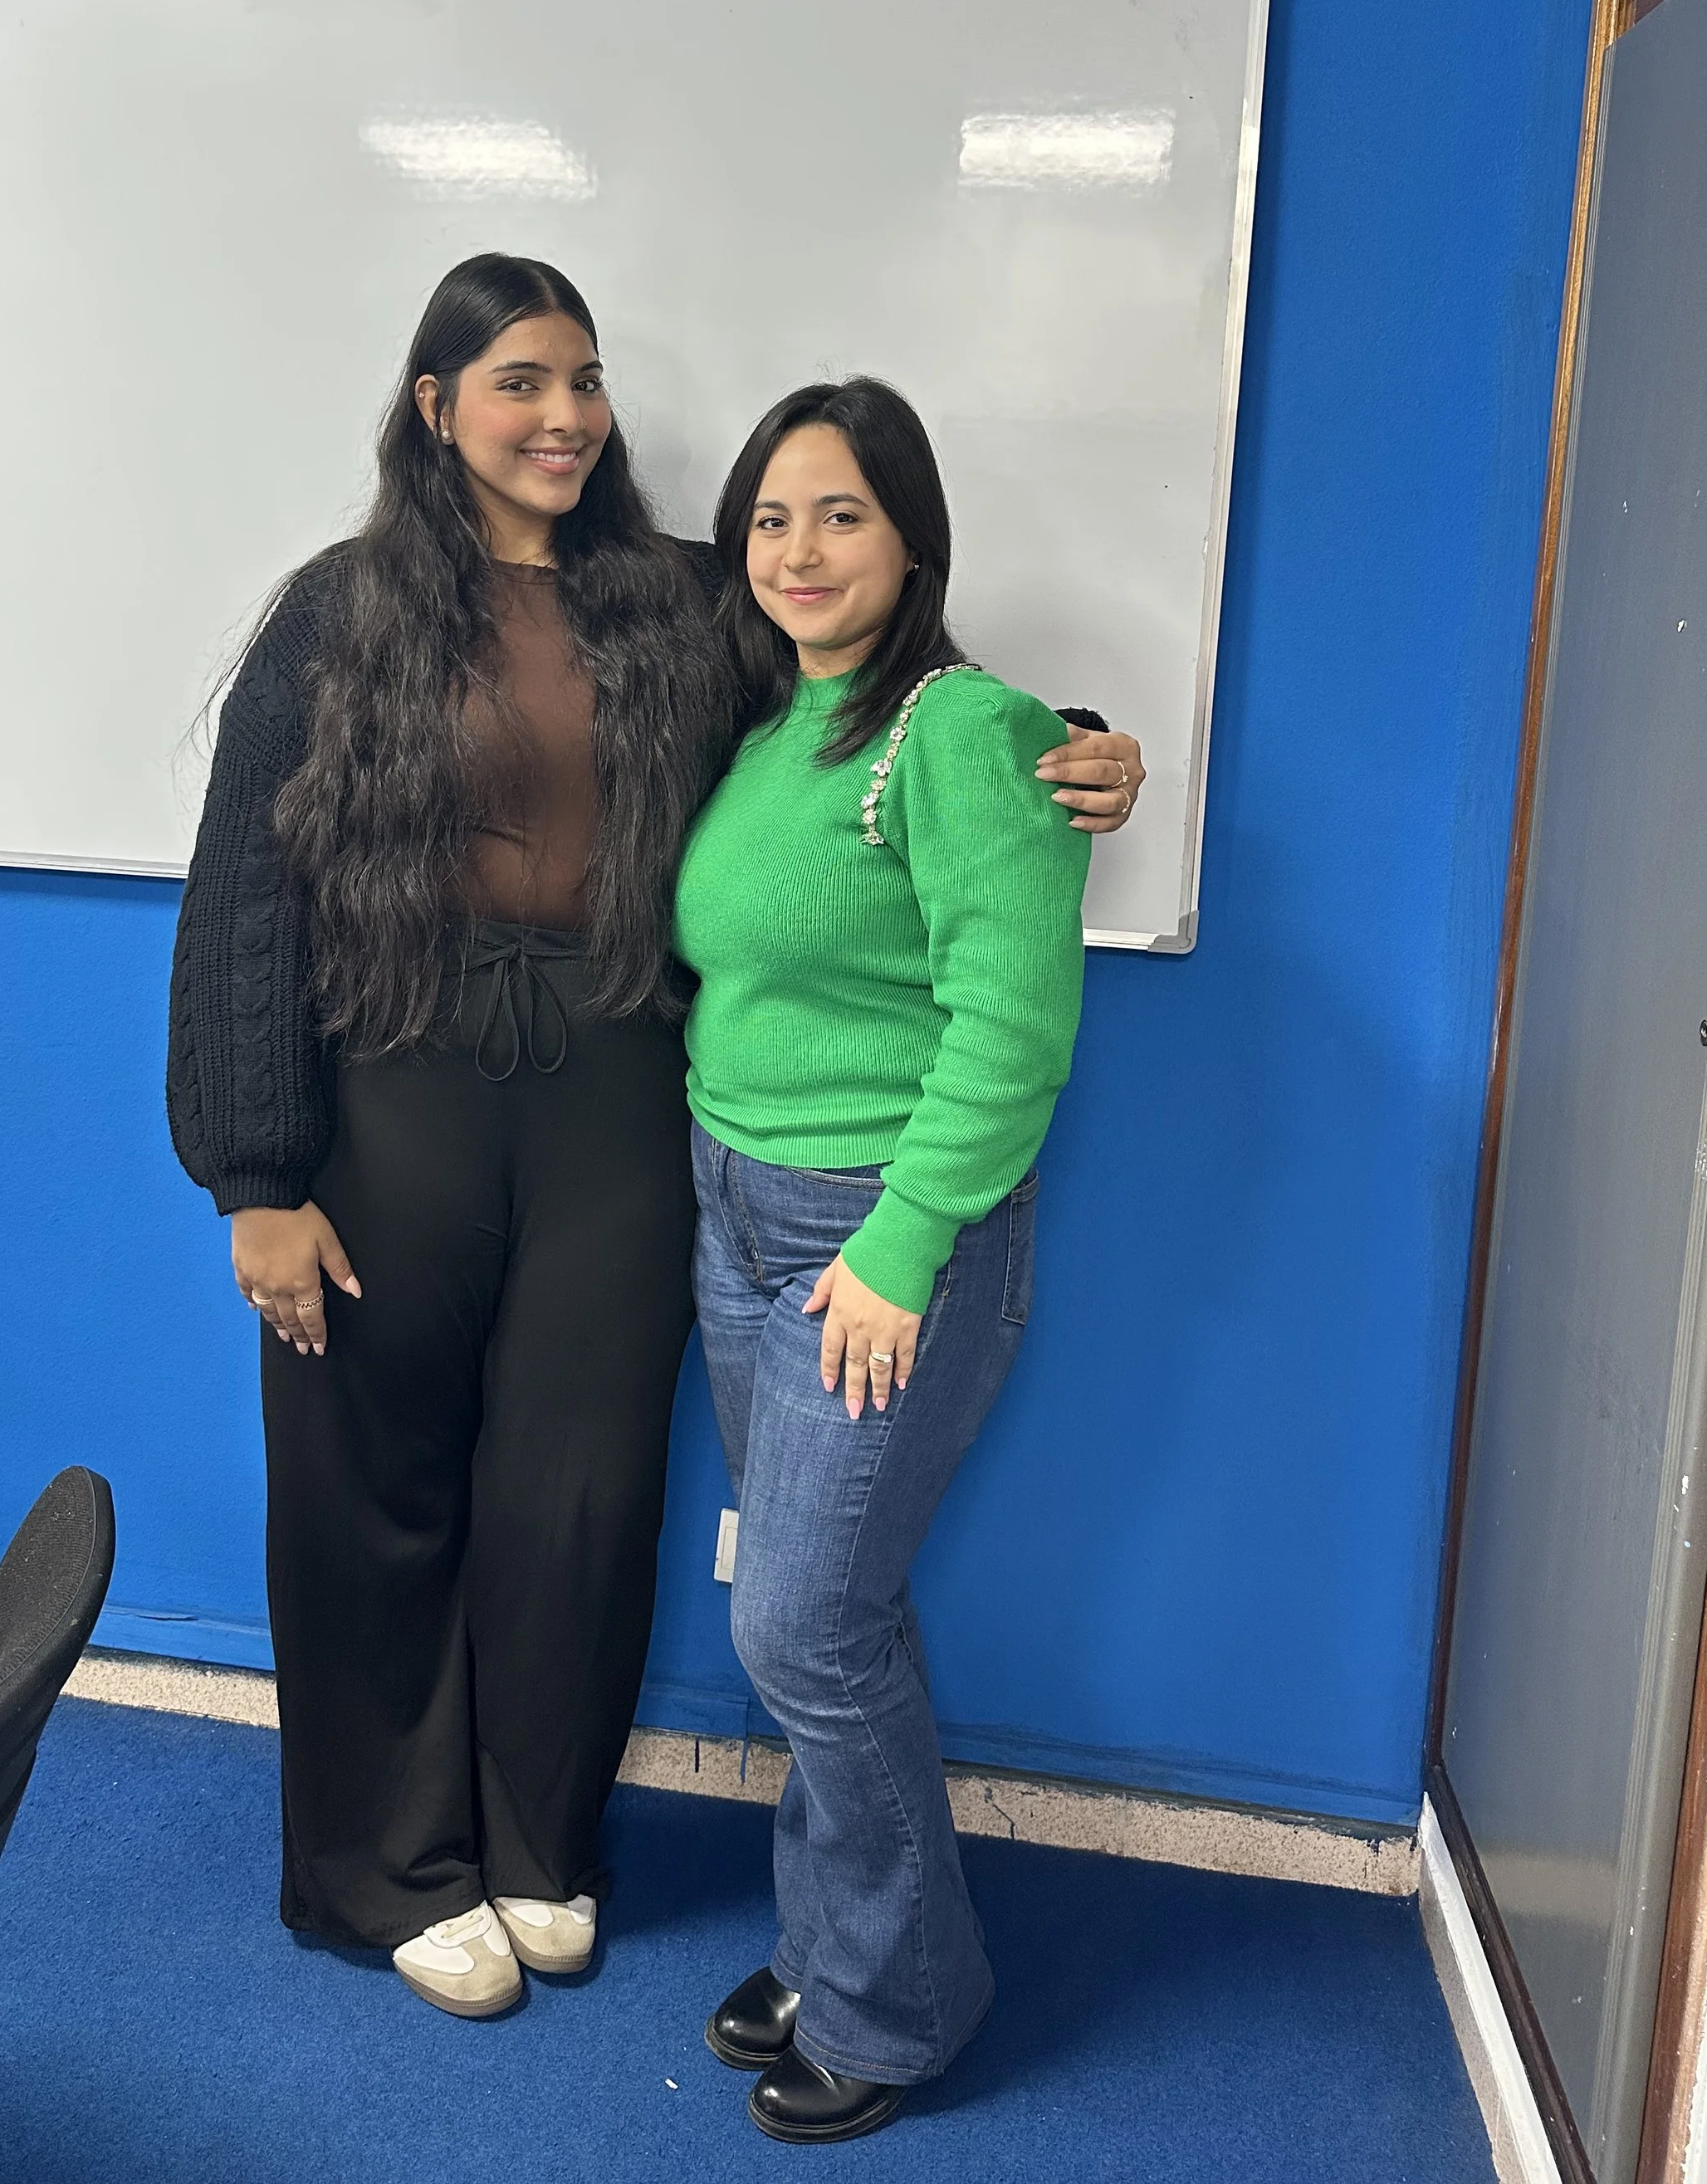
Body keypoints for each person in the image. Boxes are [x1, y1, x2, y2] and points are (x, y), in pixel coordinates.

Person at [166, 256, 1145, 2022]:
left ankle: (538, 1843)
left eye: (587, 379)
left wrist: (1066, 746)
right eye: (520, 381)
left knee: (583, 1487)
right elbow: (245, 889)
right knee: (371, 1478)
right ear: (434, 406)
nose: (565, 417)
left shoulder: (679, 598)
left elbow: (872, 694)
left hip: (619, 1096)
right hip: (393, 1087)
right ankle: (387, 1863)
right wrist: (256, 1178)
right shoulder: (335, 611)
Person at [675, 377, 1092, 2145]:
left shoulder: (966, 731)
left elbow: (1014, 1025)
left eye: (839, 512)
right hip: (730, 1208)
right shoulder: (776, 720)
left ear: (912, 536)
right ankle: (833, 1939)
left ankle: (902, 2001)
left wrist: (905, 1246)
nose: (798, 550)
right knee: (821, 1620)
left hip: (875, 1233)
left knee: (801, 1622)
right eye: (770, 518)